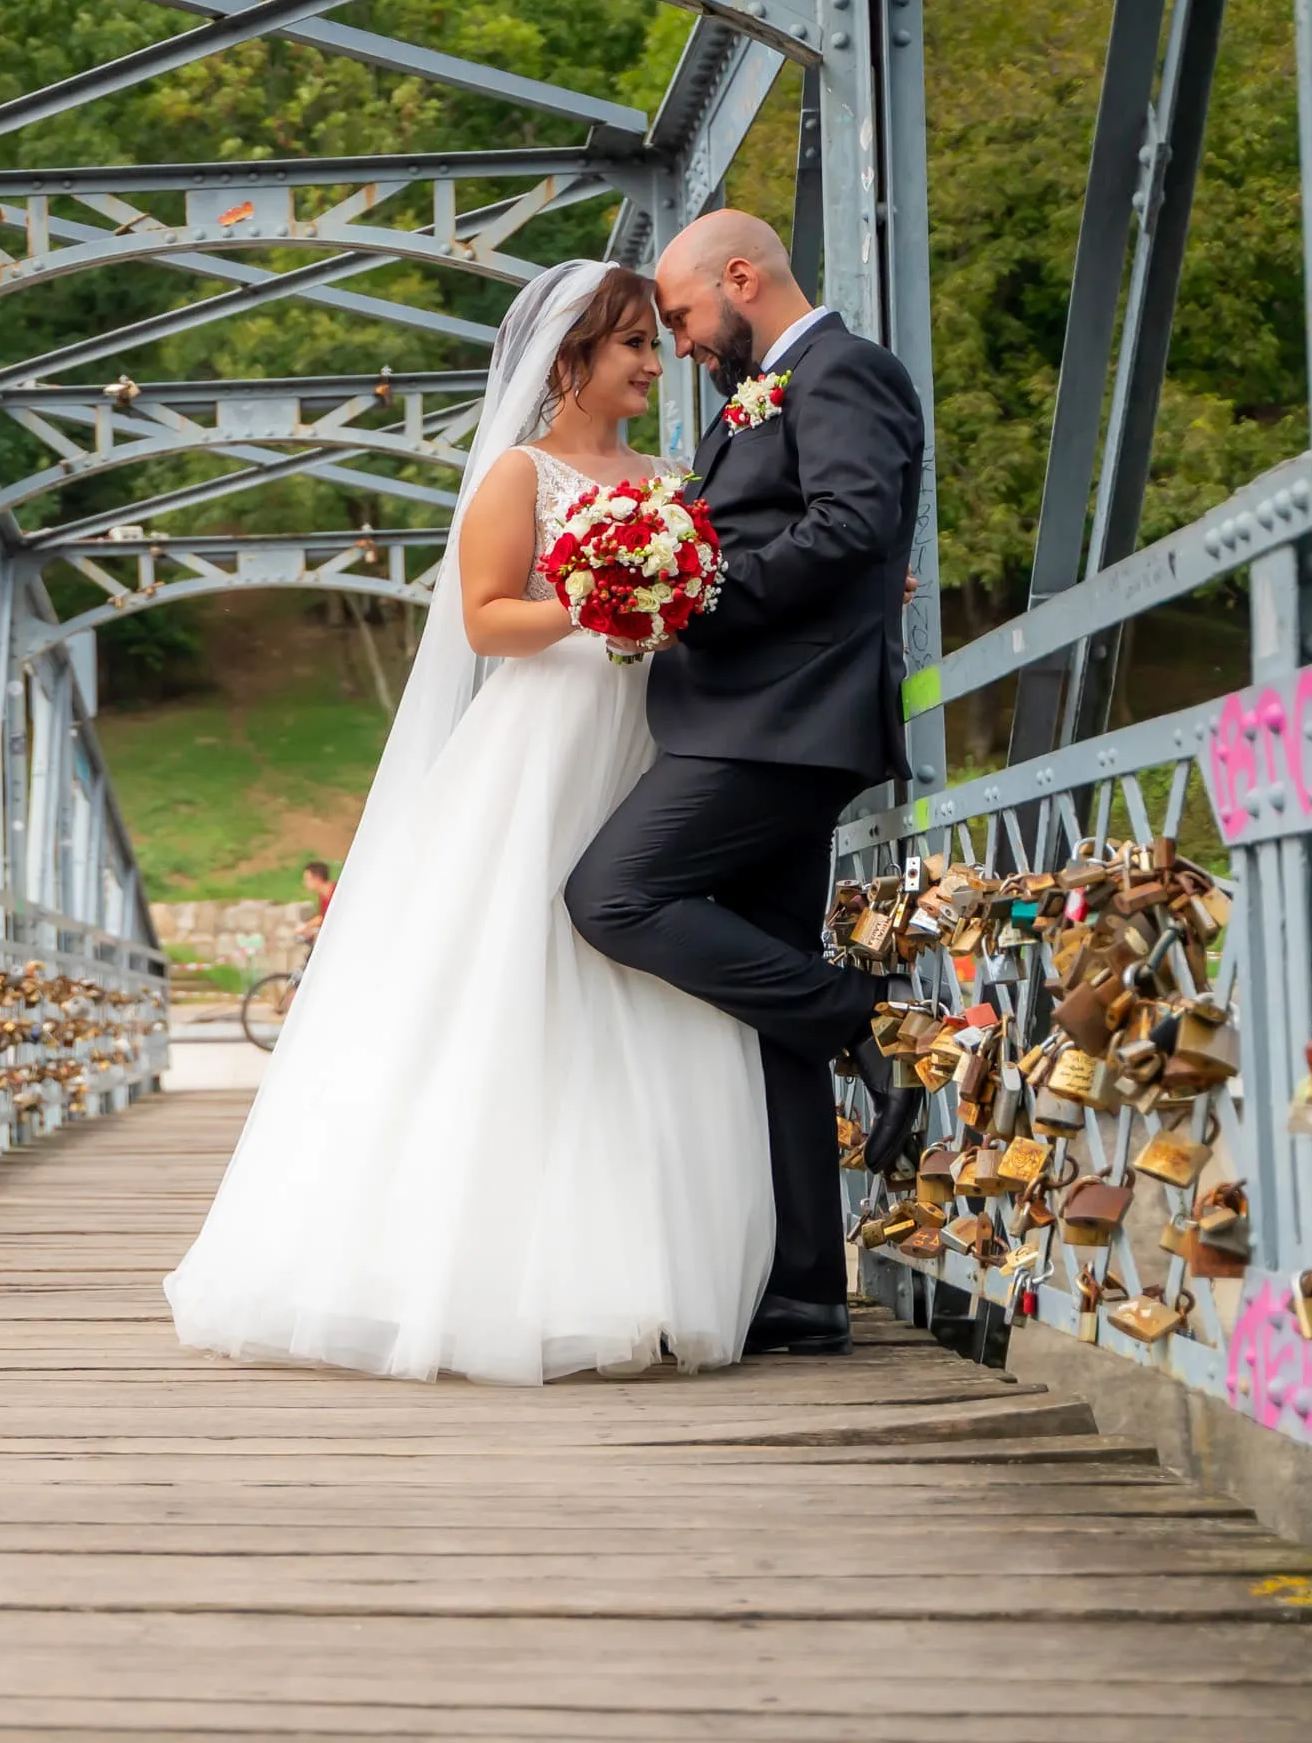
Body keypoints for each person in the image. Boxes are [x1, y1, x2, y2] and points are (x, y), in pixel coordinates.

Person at [164, 259, 775, 1384]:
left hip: (650, 736)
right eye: (633, 343)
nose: (653, 361)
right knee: (509, 977)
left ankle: (635, 1272)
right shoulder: (518, 473)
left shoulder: (670, 479)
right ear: (569, 357)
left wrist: (687, 591)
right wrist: (596, 597)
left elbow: (709, 595)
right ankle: (469, 1273)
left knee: (634, 981)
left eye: (653, 339)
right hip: (542, 745)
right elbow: (489, 622)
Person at [564, 209, 924, 1359]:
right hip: (761, 716)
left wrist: (700, 594)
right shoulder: (766, 389)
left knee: (611, 895)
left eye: (677, 315)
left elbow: (855, 524)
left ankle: (869, 1018)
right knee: (773, 1012)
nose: (675, 340)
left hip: (781, 723)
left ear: (738, 277)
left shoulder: (842, 369)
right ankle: (806, 1287)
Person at [293, 861, 334, 949]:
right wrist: (306, 926)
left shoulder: (335, 893)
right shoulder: (323, 897)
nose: (305, 883)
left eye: (308, 879)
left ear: (317, 878)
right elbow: (323, 917)